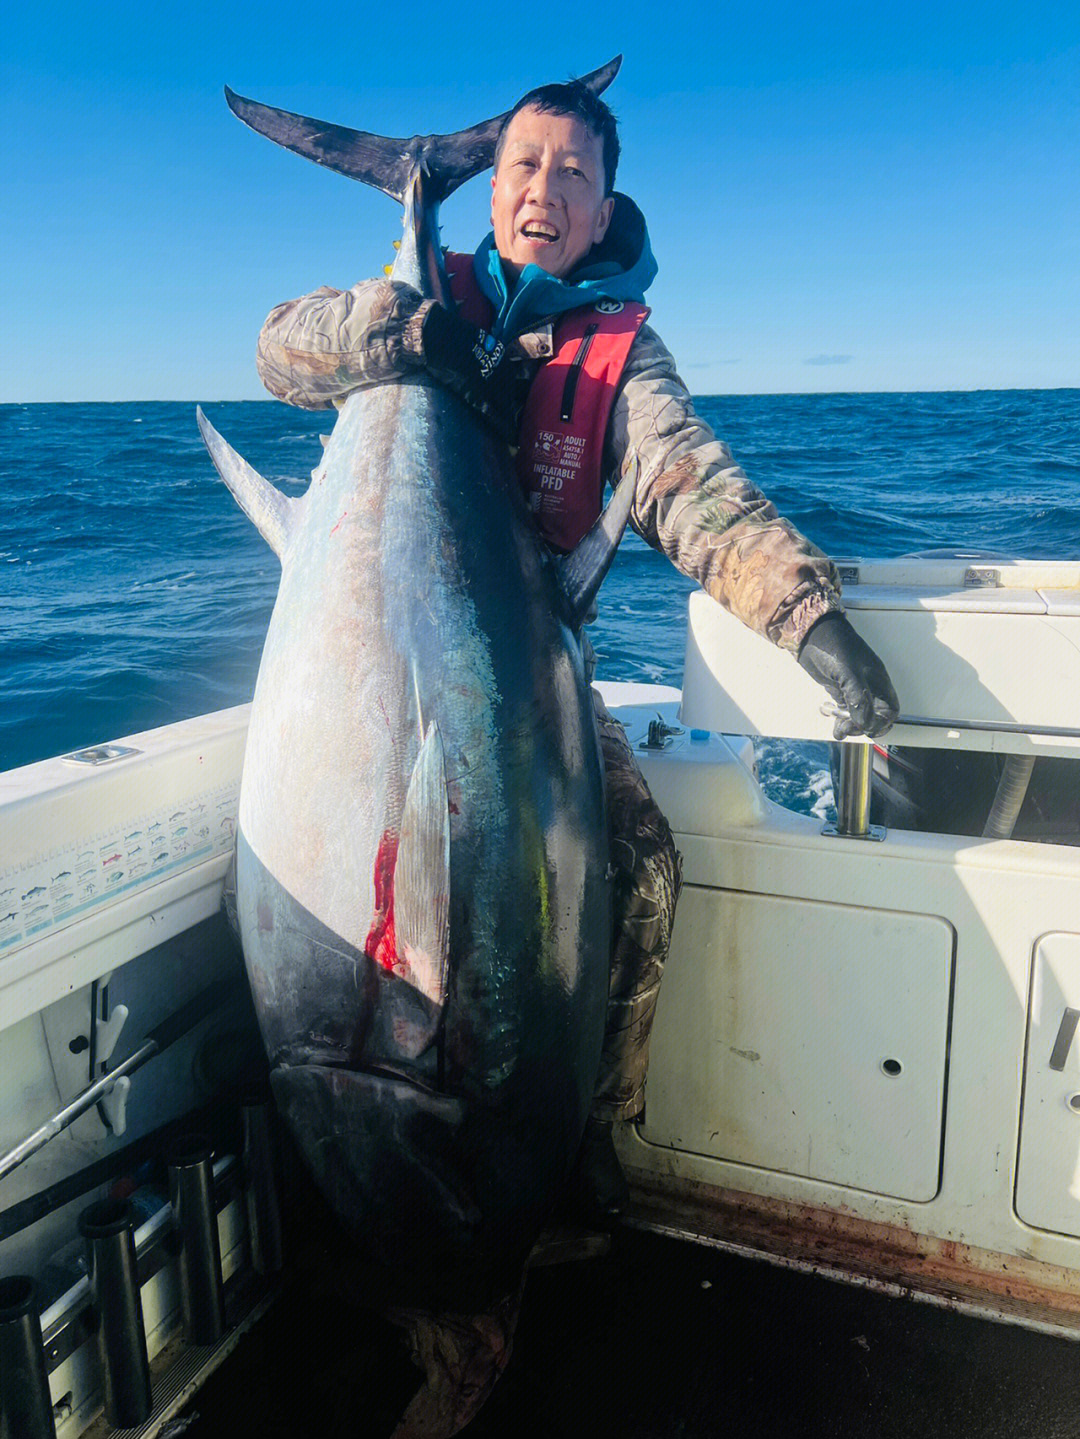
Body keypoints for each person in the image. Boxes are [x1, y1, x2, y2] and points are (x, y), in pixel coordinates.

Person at [254, 79, 899, 1222]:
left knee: (643, 862)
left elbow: (684, 482)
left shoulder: (621, 352)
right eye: (523, 166)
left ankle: (588, 1122)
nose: (543, 190)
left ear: (605, 211)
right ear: (492, 187)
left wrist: (811, 621)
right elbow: (278, 351)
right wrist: (398, 333)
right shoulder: (426, 287)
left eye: (572, 173)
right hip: (369, 657)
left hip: (527, 679)